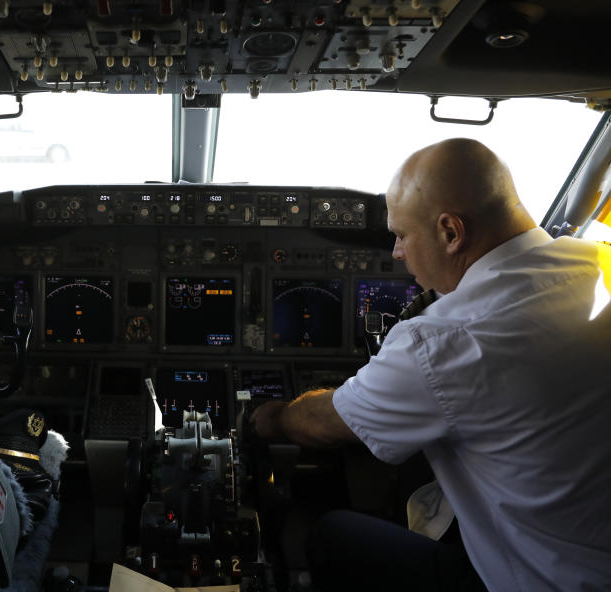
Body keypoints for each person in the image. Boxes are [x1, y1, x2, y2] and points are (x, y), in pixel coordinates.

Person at [252, 138, 611, 591]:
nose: (397, 252)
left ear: (450, 232)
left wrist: (268, 418)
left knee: (333, 534)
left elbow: (325, 424)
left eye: (401, 235)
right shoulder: (600, 263)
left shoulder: (443, 340)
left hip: (546, 580)